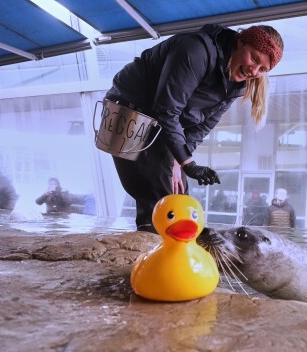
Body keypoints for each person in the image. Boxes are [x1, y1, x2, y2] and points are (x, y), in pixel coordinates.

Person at [104, 24, 284, 233]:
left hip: (162, 124)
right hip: (131, 110)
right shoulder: (196, 51)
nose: (254, 71)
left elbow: (203, 125)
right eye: (254, 58)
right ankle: (158, 252)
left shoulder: (236, 85)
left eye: (262, 69)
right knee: (165, 199)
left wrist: (178, 162)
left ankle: (167, 248)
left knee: (178, 195)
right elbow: (168, 110)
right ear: (240, 41)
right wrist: (186, 162)